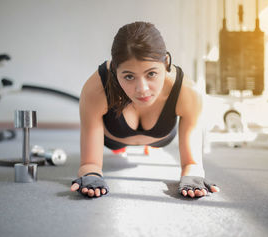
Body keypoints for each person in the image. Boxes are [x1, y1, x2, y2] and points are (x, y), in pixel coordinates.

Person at [70, 21, 220, 198]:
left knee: (158, 146)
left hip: (160, 138)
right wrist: (91, 175)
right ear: (115, 71)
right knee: (116, 149)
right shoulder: (96, 89)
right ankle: (122, 148)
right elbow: (90, 164)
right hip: (113, 139)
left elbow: (192, 163)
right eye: (129, 76)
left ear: (166, 63)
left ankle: (150, 146)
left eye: (151, 74)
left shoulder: (188, 92)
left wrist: (193, 177)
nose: (142, 89)